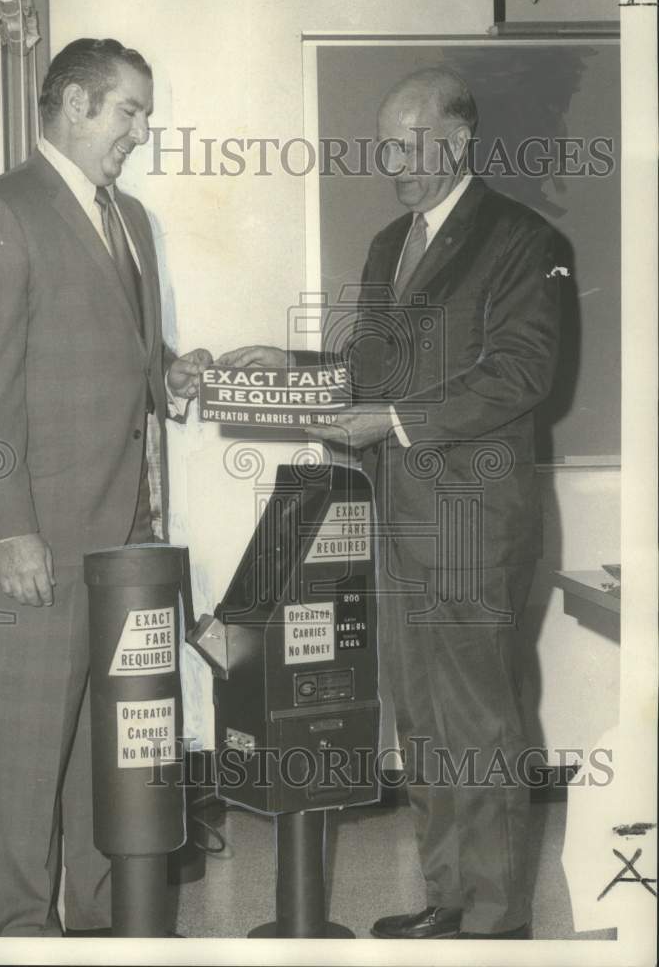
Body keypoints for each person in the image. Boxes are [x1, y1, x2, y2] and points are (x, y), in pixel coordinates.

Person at [219, 67, 566, 940]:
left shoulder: (525, 240)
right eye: (382, 144)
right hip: (401, 515)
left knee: (478, 719)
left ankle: (493, 922)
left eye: (406, 145)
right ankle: (447, 897)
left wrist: (396, 420)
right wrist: (289, 368)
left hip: (475, 521)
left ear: (456, 143)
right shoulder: (388, 246)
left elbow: (523, 374)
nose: (389, 161)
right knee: (420, 713)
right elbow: (367, 379)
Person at [0, 37, 212, 937]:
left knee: (107, 750)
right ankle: (23, 933)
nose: (140, 130)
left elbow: (121, 352)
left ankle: (98, 927)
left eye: (141, 112)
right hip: (39, 543)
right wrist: (5, 529)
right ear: (71, 103)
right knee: (27, 765)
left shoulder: (130, 217)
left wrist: (170, 374)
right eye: (128, 111)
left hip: (124, 538)